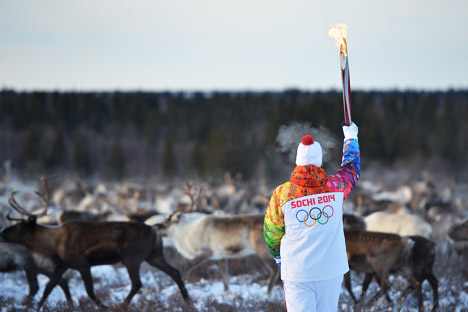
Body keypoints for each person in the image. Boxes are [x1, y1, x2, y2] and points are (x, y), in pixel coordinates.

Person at [264, 122, 360, 312]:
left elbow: (272, 231)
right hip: (331, 270)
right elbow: (351, 169)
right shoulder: (335, 187)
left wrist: (278, 257)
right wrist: (351, 138)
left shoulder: (283, 194)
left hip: (297, 271)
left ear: (298, 160)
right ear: (319, 161)